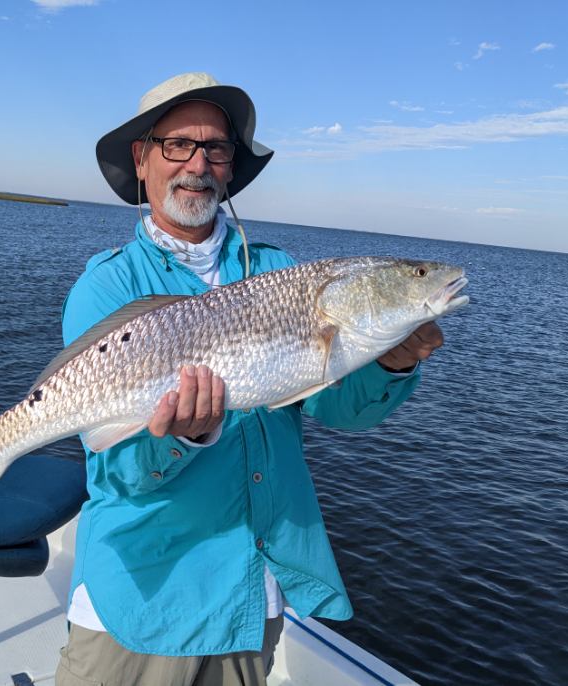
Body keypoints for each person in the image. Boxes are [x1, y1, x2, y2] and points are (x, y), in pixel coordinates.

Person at [54, 72, 444, 686]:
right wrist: (183, 437)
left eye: (216, 148)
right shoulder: (108, 287)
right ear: (142, 159)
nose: (198, 165)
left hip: (252, 593)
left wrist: (394, 361)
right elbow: (117, 471)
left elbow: (340, 409)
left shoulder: (281, 273)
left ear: (231, 167)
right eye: (178, 145)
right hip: (147, 595)